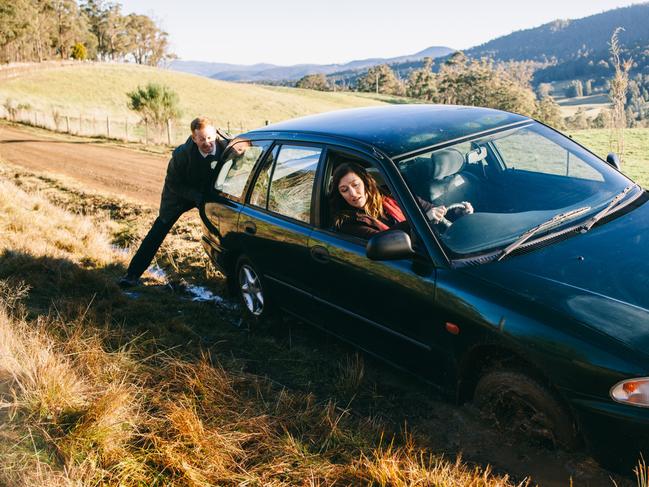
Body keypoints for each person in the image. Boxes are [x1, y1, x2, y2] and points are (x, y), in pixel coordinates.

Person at [119, 117, 229, 287]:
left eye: (209, 137)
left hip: (208, 193)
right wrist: (195, 196)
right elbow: (173, 183)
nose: (207, 143)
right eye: (202, 139)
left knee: (221, 227)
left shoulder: (225, 147)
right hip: (179, 196)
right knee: (159, 230)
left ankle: (229, 275)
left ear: (215, 134)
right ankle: (132, 274)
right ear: (194, 138)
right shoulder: (181, 155)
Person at [329, 162, 472, 239]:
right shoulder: (346, 222)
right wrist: (422, 221)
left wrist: (459, 212)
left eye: (355, 185)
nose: (352, 193)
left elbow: (429, 209)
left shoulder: (392, 194)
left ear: (366, 183)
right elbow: (383, 240)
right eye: (344, 190)